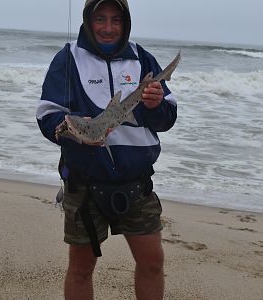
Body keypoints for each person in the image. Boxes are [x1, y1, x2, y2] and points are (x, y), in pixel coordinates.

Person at [36, 0, 177, 299]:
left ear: (126, 22)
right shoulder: (68, 58)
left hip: (137, 183)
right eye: (100, 19)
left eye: (116, 20)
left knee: (153, 262)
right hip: (85, 184)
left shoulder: (142, 59)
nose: (108, 28)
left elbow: (166, 120)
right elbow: (47, 115)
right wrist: (66, 128)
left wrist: (155, 104)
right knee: (81, 269)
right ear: (89, 20)